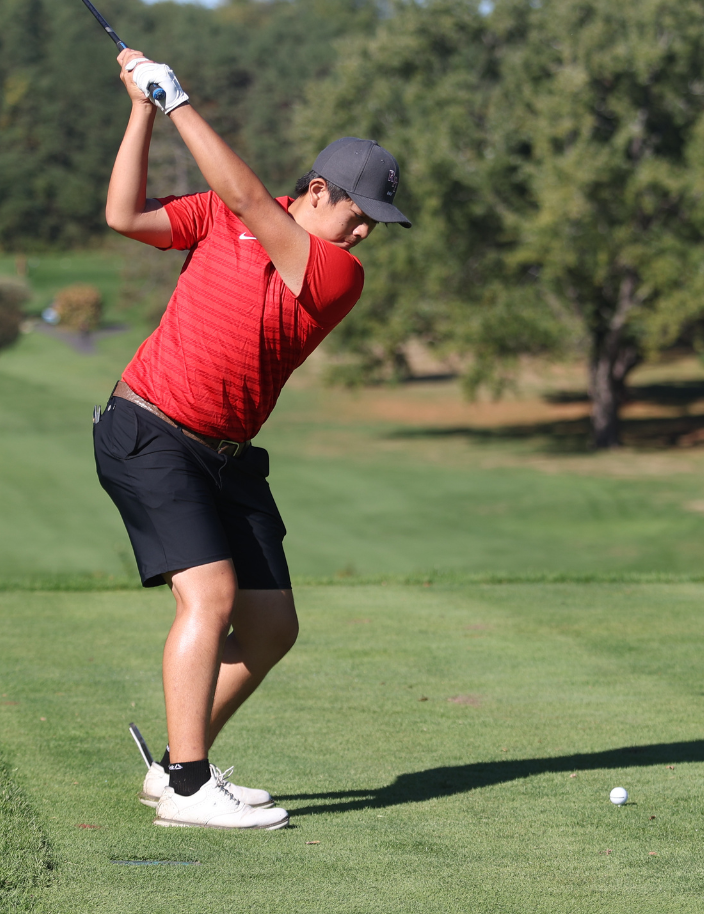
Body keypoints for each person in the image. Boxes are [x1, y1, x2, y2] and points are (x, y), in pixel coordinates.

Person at [93, 49, 410, 830]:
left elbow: (244, 196)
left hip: (225, 456)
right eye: (357, 214)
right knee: (211, 595)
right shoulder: (218, 215)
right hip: (150, 429)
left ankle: (175, 768)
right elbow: (125, 216)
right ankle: (193, 786)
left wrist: (180, 102)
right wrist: (143, 107)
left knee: (271, 626)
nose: (365, 231)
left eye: (375, 222)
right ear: (315, 192)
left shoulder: (335, 273)